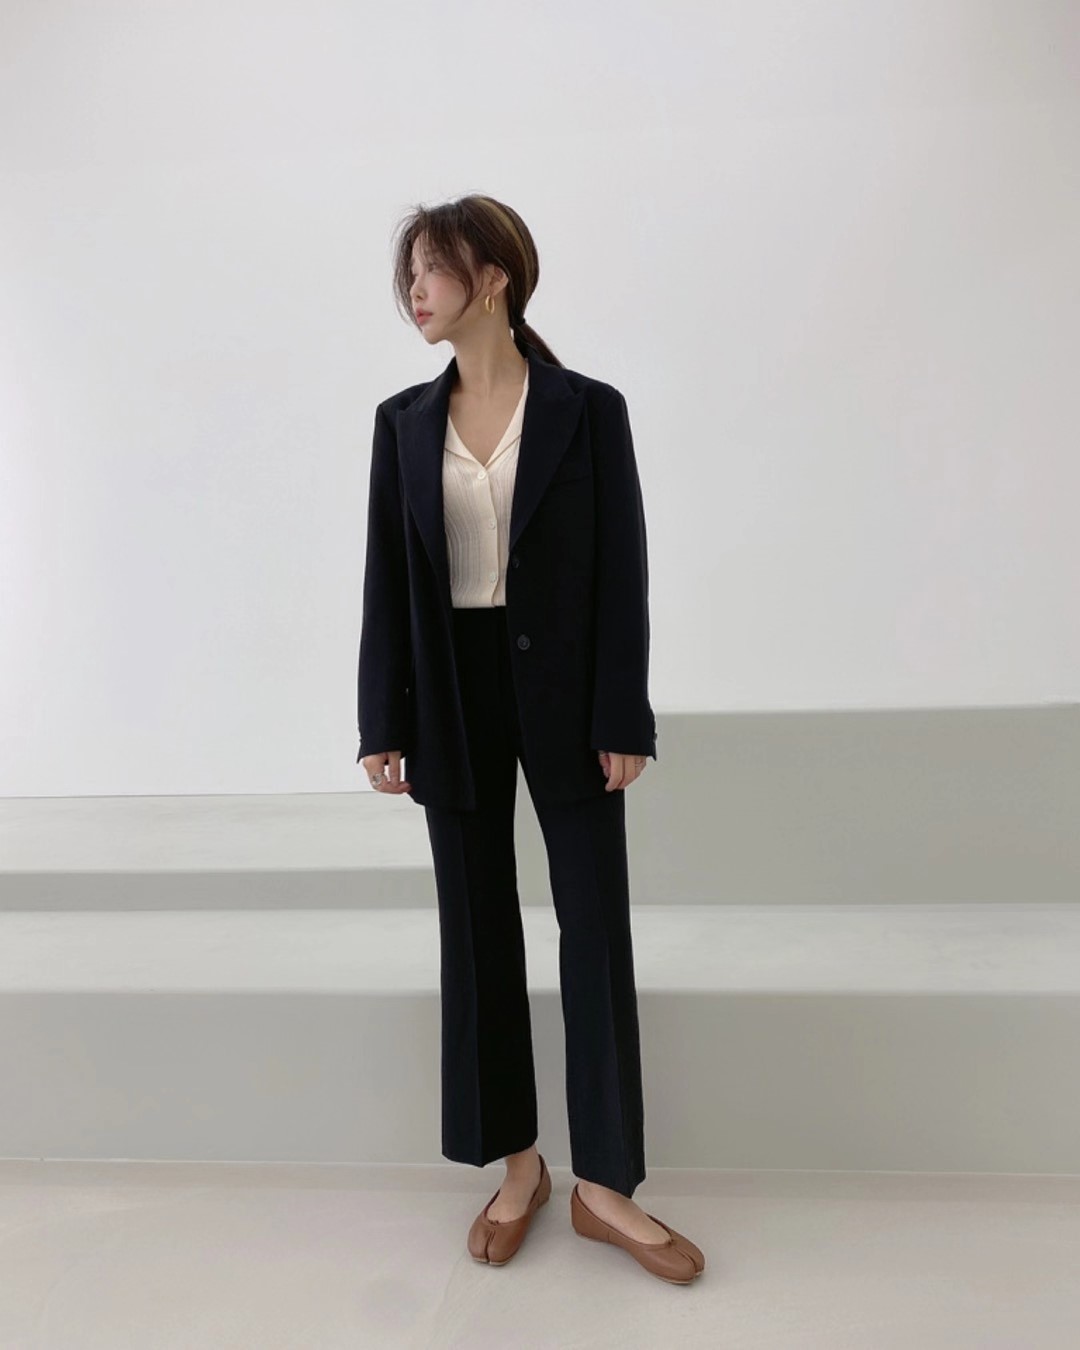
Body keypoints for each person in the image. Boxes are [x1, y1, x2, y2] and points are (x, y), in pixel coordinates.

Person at [356, 194, 704, 1283]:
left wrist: (622, 713)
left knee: (593, 926)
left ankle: (607, 1187)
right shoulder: (401, 423)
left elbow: (623, 569)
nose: (415, 291)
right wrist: (382, 719)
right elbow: (386, 580)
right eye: (409, 274)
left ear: (494, 276)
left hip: (567, 693)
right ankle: (519, 1167)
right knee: (477, 930)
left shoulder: (587, 410)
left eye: (432, 269)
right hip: (450, 697)